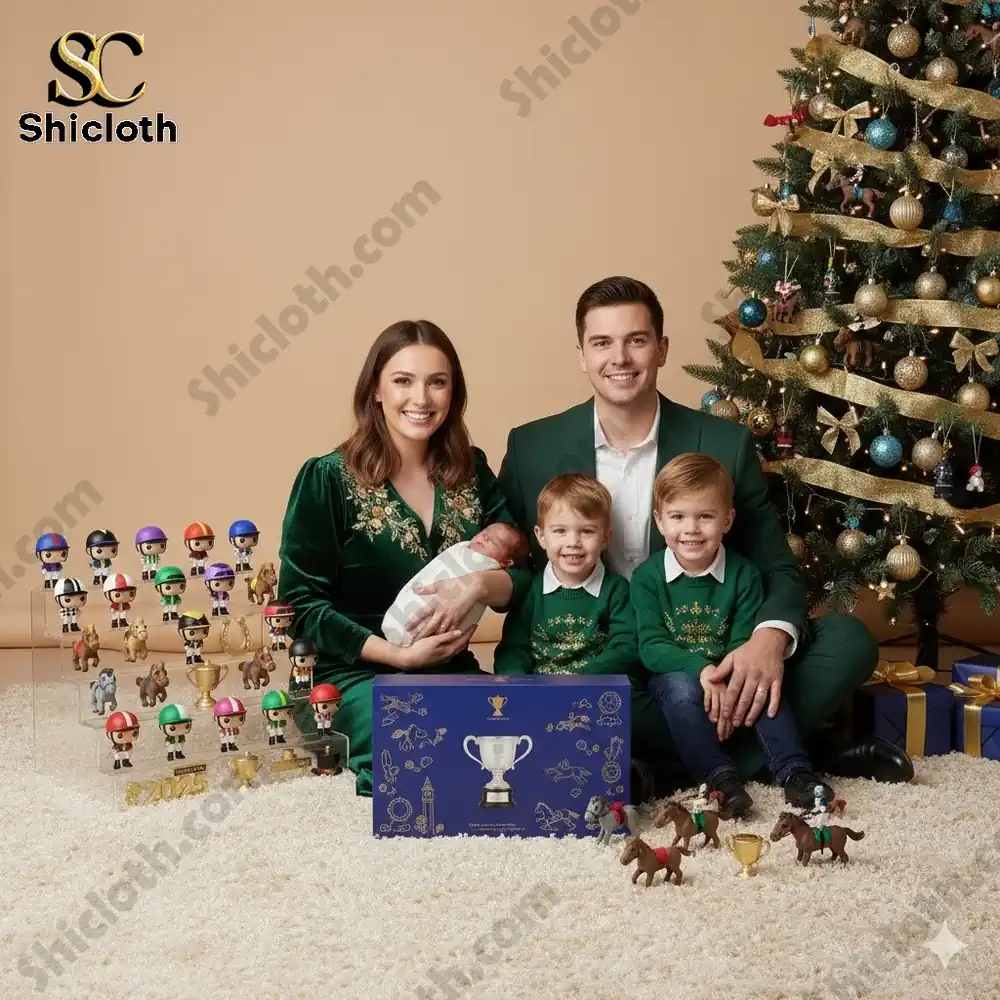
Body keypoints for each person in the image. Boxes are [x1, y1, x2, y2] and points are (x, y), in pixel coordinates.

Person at [493, 275, 909, 796]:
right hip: (598, 662)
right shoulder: (531, 446)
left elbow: (776, 567)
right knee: (572, 696)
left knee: (849, 641)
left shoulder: (724, 444)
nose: (619, 357)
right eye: (602, 343)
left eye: (636, 340)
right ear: (581, 354)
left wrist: (767, 639)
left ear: (662, 349)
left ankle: (659, 770)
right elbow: (508, 554)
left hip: (708, 653)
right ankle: (787, 755)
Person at [277, 319, 520, 796]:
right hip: (347, 677)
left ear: (454, 393)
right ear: (375, 391)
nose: (421, 399)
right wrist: (398, 656)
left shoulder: (472, 470)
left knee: (517, 732)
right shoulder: (326, 479)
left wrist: (478, 585)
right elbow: (300, 608)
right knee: (420, 742)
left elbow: (527, 574)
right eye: (403, 381)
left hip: (449, 668)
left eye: (437, 382)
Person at [631, 452, 834, 819]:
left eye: (705, 516)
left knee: (764, 687)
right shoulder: (647, 578)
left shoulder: (744, 575)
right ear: (660, 521)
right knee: (680, 690)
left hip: (732, 668)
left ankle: (794, 771)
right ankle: (719, 779)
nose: (691, 529)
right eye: (678, 517)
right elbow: (651, 647)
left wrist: (727, 677)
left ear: (727, 520)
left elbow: (744, 642)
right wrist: (701, 669)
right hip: (677, 673)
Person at [492, 473, 641, 677]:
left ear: (605, 538)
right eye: (560, 531)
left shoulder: (617, 590)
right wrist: (517, 684)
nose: (573, 542)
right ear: (541, 537)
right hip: (539, 692)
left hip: (595, 690)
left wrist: (582, 679)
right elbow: (513, 648)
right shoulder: (531, 591)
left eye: (587, 531)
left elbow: (625, 647)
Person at [381, 522, 528, 647]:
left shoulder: (488, 494)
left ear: (506, 562)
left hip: (446, 655)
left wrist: (478, 583)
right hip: (375, 647)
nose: (484, 537)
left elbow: (523, 578)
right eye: (484, 532)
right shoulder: (459, 550)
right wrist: (399, 657)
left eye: (494, 542)